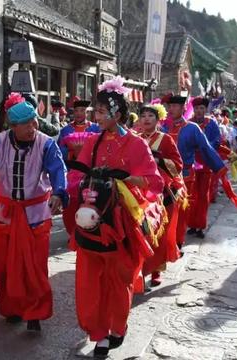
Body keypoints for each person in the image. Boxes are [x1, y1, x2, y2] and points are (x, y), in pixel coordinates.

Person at [71, 77, 163, 358]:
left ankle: (116, 328)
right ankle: (98, 333)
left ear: (117, 114)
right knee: (88, 282)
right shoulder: (93, 141)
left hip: (122, 223)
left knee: (119, 280)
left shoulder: (136, 145)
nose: (95, 117)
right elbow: (75, 173)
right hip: (92, 219)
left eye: (100, 112)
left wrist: (129, 178)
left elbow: (155, 182)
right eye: (95, 112)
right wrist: (81, 184)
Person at [0, 92, 68, 332]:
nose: (32, 128)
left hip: (36, 215)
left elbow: (58, 171)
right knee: (6, 265)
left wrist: (60, 194)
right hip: (5, 214)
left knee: (35, 266)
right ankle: (12, 308)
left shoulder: (46, 144)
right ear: (13, 126)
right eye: (26, 124)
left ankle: (35, 313)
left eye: (34, 122)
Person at [163, 95, 225, 246]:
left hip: (188, 173)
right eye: (170, 106)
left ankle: (179, 239)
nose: (172, 109)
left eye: (175, 106)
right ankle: (169, 239)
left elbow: (207, 147)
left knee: (189, 204)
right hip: (166, 175)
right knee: (168, 208)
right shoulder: (165, 127)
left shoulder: (193, 128)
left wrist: (219, 167)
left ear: (183, 108)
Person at [138, 103, 184, 287]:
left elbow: (178, 164)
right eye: (143, 116)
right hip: (139, 191)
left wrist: (160, 160)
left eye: (150, 115)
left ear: (158, 120)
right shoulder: (135, 139)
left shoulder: (165, 139)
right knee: (141, 233)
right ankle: (140, 268)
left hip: (162, 193)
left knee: (158, 233)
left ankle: (156, 269)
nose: (146, 119)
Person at [58, 98, 101, 235]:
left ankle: (89, 229)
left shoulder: (95, 128)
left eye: (82, 110)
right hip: (72, 170)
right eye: (76, 110)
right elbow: (60, 151)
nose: (78, 113)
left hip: (90, 171)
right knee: (71, 203)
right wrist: (72, 151)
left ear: (87, 112)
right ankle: (73, 232)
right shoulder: (66, 130)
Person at [187, 96, 222, 235]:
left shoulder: (211, 123)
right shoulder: (188, 123)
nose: (199, 111)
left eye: (202, 108)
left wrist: (205, 147)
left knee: (203, 195)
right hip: (191, 163)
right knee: (192, 195)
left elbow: (217, 140)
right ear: (193, 109)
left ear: (206, 109)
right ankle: (192, 225)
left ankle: (201, 225)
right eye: (196, 108)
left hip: (206, 163)